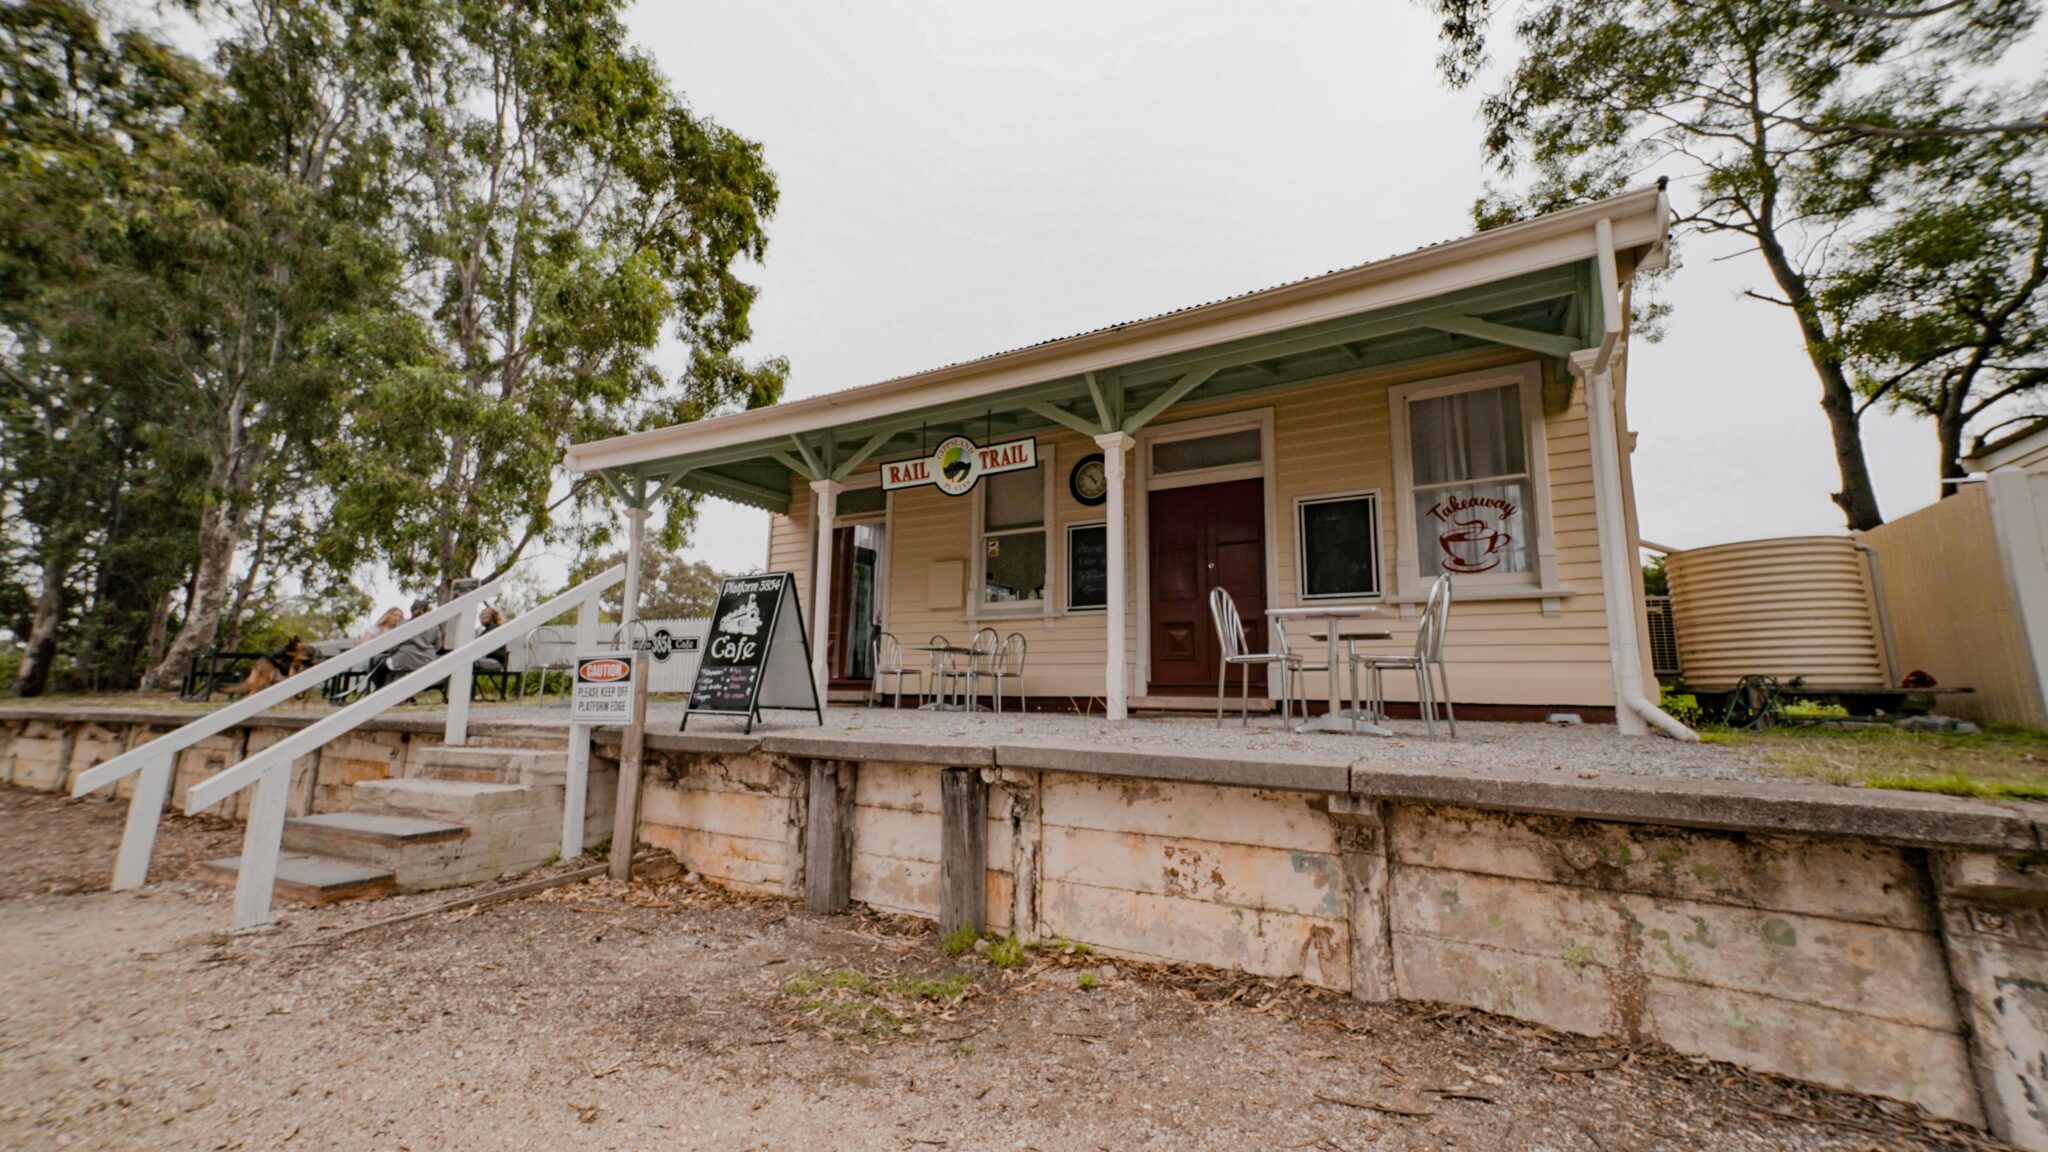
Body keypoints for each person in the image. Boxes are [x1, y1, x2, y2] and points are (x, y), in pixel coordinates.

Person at [369, 599, 438, 689]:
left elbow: (393, 646)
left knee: (379, 665)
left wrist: (391, 652)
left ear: (411, 610)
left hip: (404, 659)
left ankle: (378, 690)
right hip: (427, 660)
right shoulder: (434, 626)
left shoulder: (403, 624)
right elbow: (438, 645)